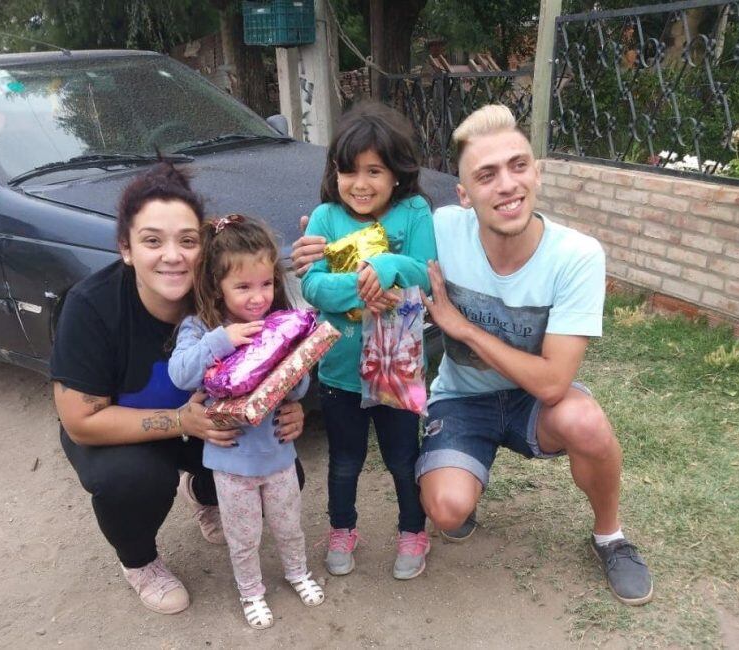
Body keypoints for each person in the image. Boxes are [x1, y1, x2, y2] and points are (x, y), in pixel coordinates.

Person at [291, 104, 653, 606]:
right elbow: (366, 239)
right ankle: (462, 480)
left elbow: (553, 383)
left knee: (585, 420)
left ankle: (610, 536)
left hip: (534, 400)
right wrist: (324, 244)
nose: (506, 185)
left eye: (518, 166)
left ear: (537, 173)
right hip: (461, 399)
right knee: (445, 510)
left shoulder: (577, 256)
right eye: (486, 175)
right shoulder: (442, 227)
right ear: (463, 195)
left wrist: (461, 327)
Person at [51, 164, 305, 615]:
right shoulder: (92, 306)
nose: (173, 256)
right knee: (131, 480)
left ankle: (204, 493)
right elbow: (80, 421)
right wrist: (181, 422)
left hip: (213, 426)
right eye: (152, 241)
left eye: (187, 241)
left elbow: (284, 357)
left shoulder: (229, 292)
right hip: (125, 434)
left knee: (283, 473)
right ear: (126, 248)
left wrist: (289, 405)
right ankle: (140, 561)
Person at [300, 101, 437, 580]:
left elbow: (426, 274)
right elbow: (313, 285)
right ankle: (342, 528)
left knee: (403, 458)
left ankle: (413, 530)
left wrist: (388, 266)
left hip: (398, 369)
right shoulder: (325, 217)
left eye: (374, 171)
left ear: (397, 173)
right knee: (344, 461)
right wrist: (365, 288)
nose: (360, 184)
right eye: (349, 170)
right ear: (334, 172)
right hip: (340, 371)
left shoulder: (414, 212)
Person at [168, 214, 324, 629]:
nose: (258, 297)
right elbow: (180, 374)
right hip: (232, 462)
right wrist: (223, 340)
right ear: (216, 284)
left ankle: (297, 572)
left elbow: (297, 390)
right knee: (243, 537)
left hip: (278, 455)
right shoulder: (201, 327)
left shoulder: (281, 322)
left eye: (266, 283)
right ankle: (251, 593)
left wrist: (293, 365)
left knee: (289, 526)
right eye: (243, 287)